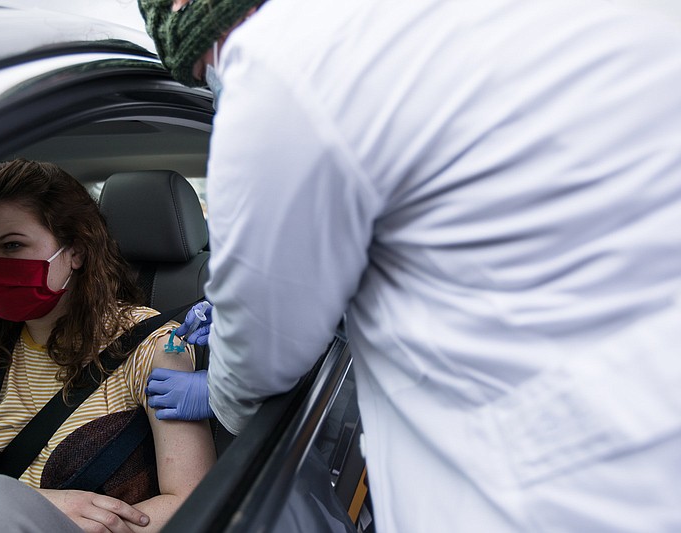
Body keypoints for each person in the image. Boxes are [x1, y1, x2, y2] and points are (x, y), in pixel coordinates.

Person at [140, 0, 681, 531]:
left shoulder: (282, 65)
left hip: (563, 481)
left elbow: (264, 345)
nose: (214, 82)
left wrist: (216, 391)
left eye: (200, 70)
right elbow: (447, 246)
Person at [0, 159, 216, 533]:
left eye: (12, 245)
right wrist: (22, 506)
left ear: (75, 250)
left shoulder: (155, 346)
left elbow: (191, 502)